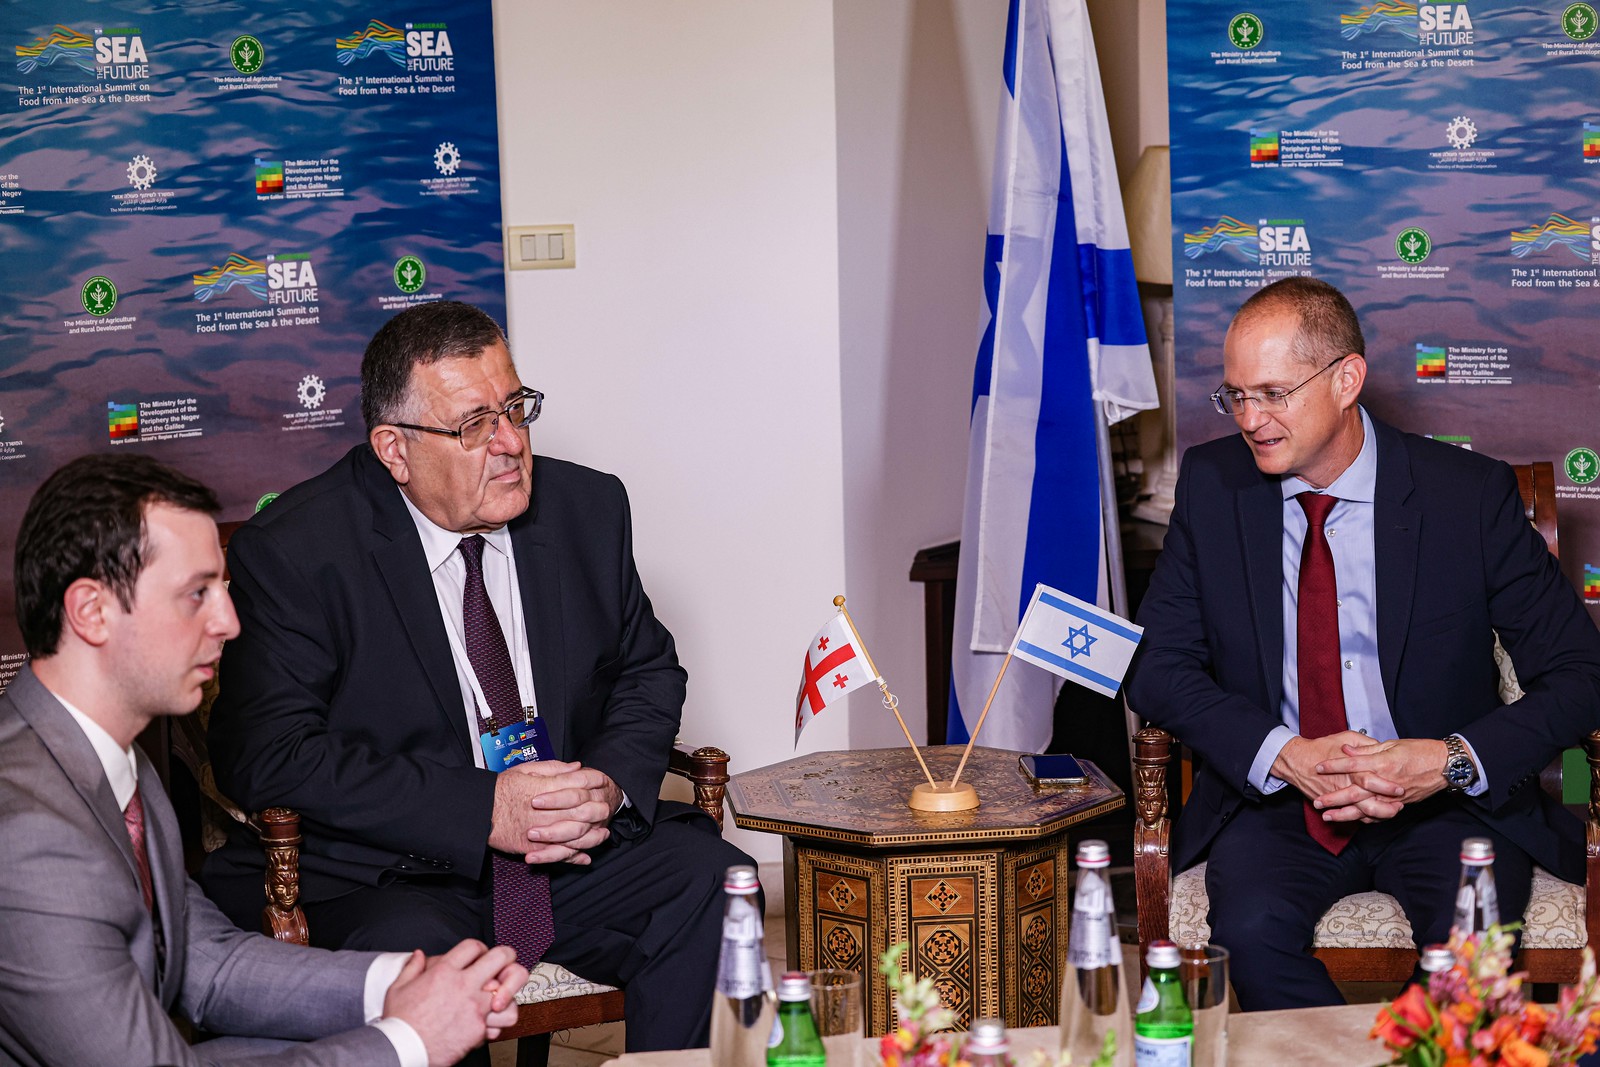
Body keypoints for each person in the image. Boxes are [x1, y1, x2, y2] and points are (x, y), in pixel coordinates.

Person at [202, 300, 751, 1059]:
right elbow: (269, 753)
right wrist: (481, 807)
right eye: (474, 425)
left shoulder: (587, 509)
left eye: (516, 408)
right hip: (395, 872)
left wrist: (608, 785)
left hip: (567, 854)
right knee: (425, 972)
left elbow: (646, 668)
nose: (511, 442)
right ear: (394, 450)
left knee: (717, 885)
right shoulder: (299, 550)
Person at [1127, 276, 1600, 1010]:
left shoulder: (1466, 496)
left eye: (1273, 393)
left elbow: (1581, 674)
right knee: (1249, 936)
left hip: (1447, 805)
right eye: (1236, 395)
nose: (1251, 418)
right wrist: (1284, 753)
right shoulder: (1214, 486)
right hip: (1280, 803)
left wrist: (1447, 760)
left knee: (1467, 960)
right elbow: (1157, 666)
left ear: (1346, 379)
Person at [0, 453, 529, 1067]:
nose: (228, 622)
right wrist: (408, 1040)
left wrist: (399, 984)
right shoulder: (28, 834)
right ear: (91, 612)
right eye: (196, 594)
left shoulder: (104, 757)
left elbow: (206, 962)